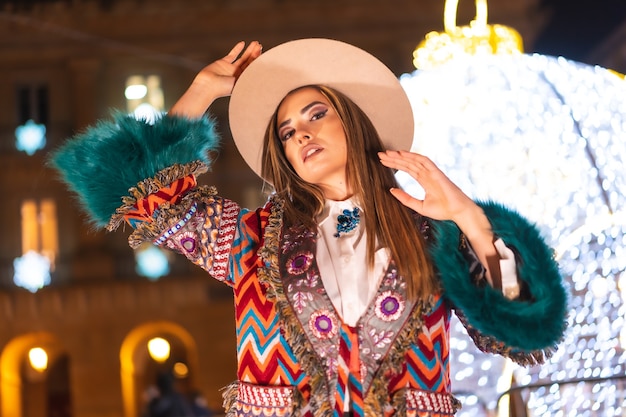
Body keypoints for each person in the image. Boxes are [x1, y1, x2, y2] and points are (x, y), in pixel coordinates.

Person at [50, 39, 567, 416]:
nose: (301, 134)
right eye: (288, 131)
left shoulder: (433, 238)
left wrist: (471, 219)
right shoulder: (250, 240)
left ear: (354, 120)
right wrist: (204, 90)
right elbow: (132, 190)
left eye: (316, 114)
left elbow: (523, 336)